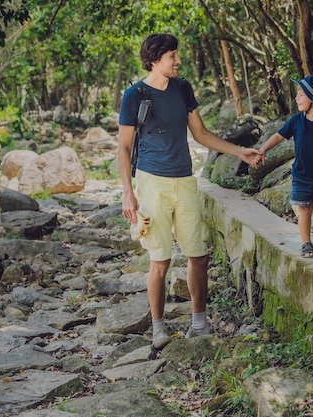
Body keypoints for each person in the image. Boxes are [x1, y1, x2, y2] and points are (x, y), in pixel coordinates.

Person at [118, 34, 262, 349]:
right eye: (172, 56)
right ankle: (158, 328)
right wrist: (128, 192)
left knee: (198, 255)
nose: (178, 61)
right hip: (150, 183)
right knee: (161, 260)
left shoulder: (182, 89)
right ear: (155, 59)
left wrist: (240, 152)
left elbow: (201, 133)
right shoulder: (134, 95)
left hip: (184, 180)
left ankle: (199, 323)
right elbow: (124, 147)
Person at [258, 75, 313, 258]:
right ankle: (306, 244)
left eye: (301, 95)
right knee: (304, 210)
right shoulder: (296, 121)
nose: (297, 98)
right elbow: (279, 136)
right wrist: (263, 149)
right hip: (301, 176)